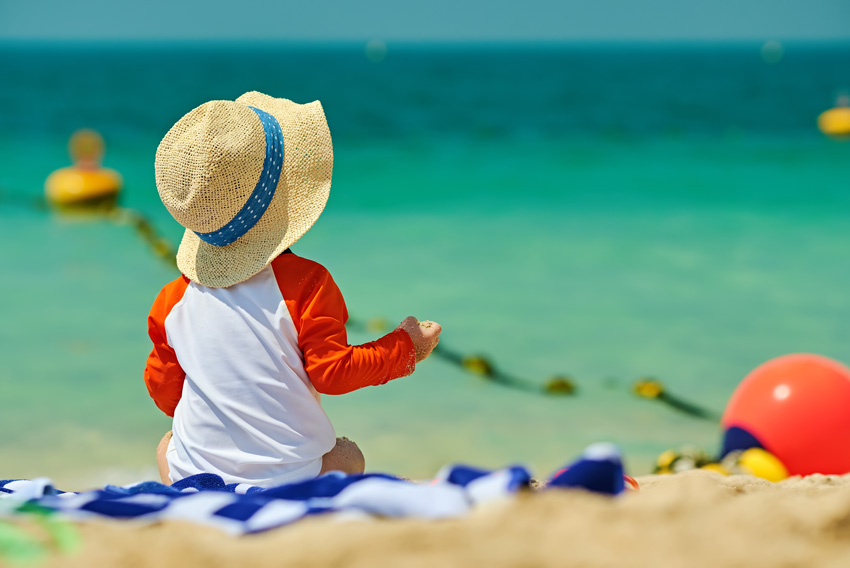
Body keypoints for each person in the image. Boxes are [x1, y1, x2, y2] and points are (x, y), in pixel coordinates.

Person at [144, 91, 441, 487]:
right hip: (290, 479)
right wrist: (406, 348)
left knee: (167, 445)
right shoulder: (307, 283)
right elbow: (331, 374)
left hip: (198, 475)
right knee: (349, 455)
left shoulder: (171, 301)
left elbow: (165, 394)